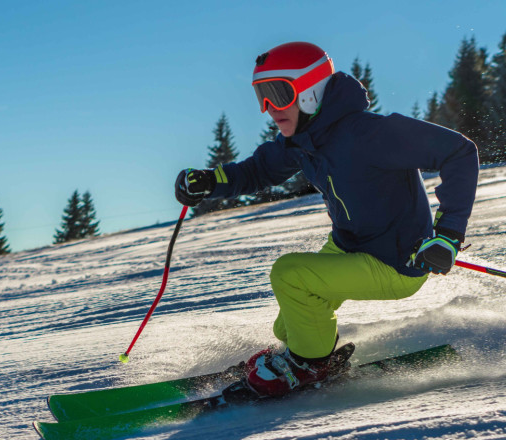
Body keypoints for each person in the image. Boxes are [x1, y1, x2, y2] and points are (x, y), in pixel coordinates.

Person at [174, 42, 479, 397]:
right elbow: (259, 170)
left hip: (396, 260)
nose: (269, 108)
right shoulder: (303, 141)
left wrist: (447, 234)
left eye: (277, 93)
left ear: (311, 90)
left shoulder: (368, 133)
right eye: (262, 96)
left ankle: (309, 365)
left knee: (291, 276)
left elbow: (458, 151)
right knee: (288, 327)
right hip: (350, 247)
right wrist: (211, 181)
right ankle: (307, 352)